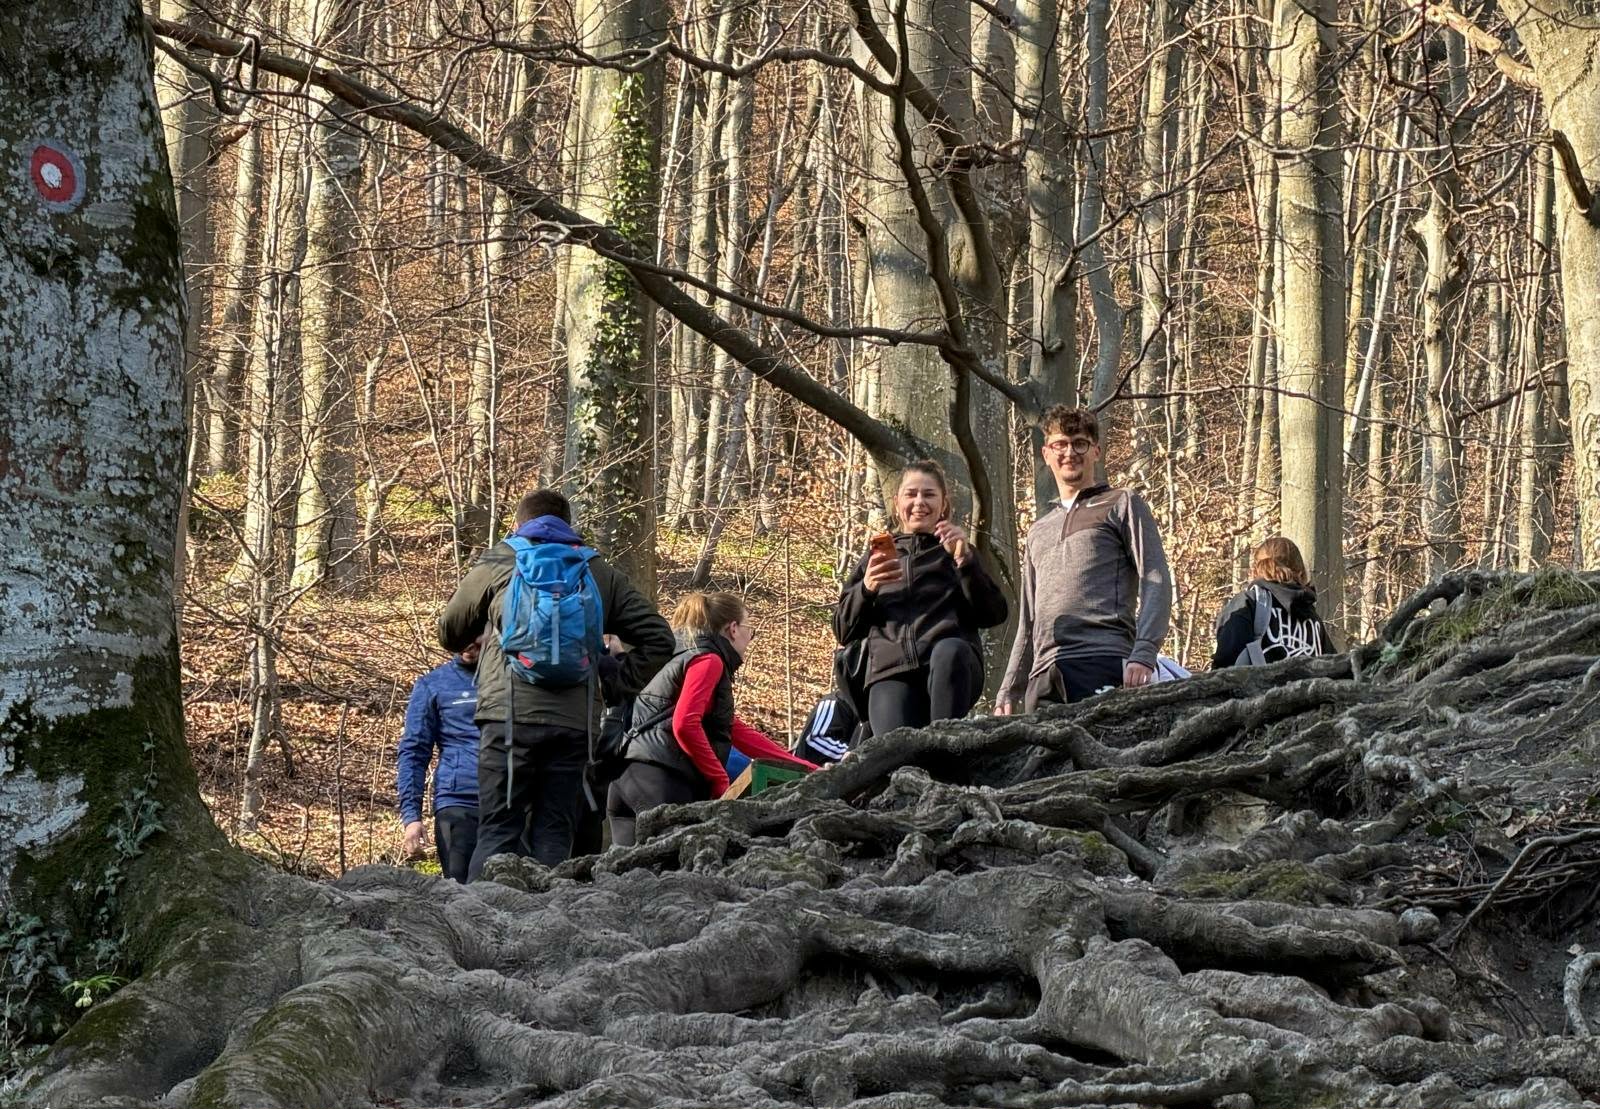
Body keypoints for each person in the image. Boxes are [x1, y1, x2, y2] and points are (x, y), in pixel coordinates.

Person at [438, 489, 674, 879]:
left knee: (498, 829)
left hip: (507, 718)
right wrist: (613, 686)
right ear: (569, 524)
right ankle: (546, 914)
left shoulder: (500, 559)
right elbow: (659, 638)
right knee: (555, 832)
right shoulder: (595, 569)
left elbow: (450, 631)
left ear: (518, 524)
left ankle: (479, 911)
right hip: (573, 725)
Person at [607, 592, 817, 847]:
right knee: (673, 868)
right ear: (733, 629)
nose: (749, 639)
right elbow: (685, 724)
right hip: (663, 781)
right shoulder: (709, 660)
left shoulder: (674, 654)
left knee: (623, 869)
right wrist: (719, 779)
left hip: (624, 778)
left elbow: (736, 731)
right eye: (750, 630)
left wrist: (806, 768)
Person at [997, 405, 1172, 710]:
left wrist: (1144, 652)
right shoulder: (1038, 531)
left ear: (1096, 451)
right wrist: (1010, 689)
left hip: (1103, 657)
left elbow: (1155, 578)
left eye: (1079, 443)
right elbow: (1028, 618)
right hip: (1044, 674)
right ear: (1046, 454)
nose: (1069, 452)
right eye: (1060, 444)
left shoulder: (1121, 503)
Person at [833, 460, 1009, 736]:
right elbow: (843, 630)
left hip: (951, 671)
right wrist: (866, 589)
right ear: (897, 503)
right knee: (898, 751)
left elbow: (994, 614)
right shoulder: (874, 560)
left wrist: (965, 563)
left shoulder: (959, 553)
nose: (919, 502)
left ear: (943, 504)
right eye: (911, 494)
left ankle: (944, 744)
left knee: (950, 650)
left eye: (929, 495)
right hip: (890, 671)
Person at [396, 638, 483, 883]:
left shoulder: (514, 679)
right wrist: (411, 817)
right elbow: (414, 752)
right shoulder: (433, 684)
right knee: (461, 891)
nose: (469, 644)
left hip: (511, 804)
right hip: (457, 803)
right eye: (462, 635)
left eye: (476, 635)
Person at [1212, 536, 1338, 668]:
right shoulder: (1312, 618)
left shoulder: (1248, 604)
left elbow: (1225, 664)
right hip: (1308, 681)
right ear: (1301, 572)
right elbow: (1334, 668)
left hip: (1259, 681)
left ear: (1255, 571)